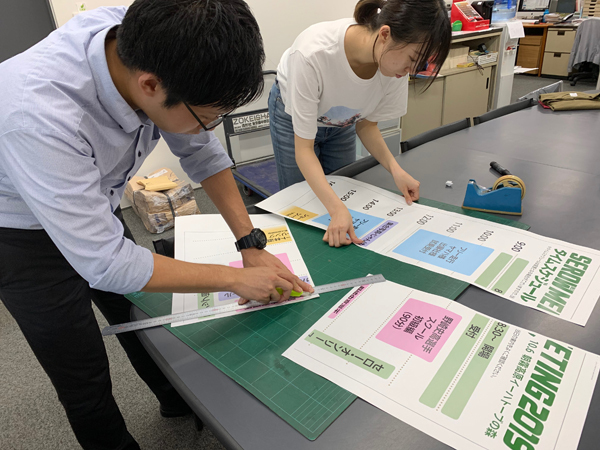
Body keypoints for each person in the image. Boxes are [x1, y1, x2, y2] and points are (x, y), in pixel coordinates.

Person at [0, 1, 312, 448]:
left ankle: (177, 400)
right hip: (18, 235)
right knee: (81, 370)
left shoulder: (147, 34)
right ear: (149, 85)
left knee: (141, 315)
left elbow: (200, 151)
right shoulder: (38, 116)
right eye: (208, 117)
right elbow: (107, 263)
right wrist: (235, 279)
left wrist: (249, 242)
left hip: (93, 200)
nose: (210, 128)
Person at [268, 0, 451, 247]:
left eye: (418, 65)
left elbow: (367, 125)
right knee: (302, 204)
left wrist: (396, 171)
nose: (409, 70)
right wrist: (336, 209)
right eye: (412, 59)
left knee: (343, 194)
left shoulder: (393, 65)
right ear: (385, 34)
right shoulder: (313, 53)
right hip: (293, 117)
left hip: (342, 120)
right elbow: (304, 149)